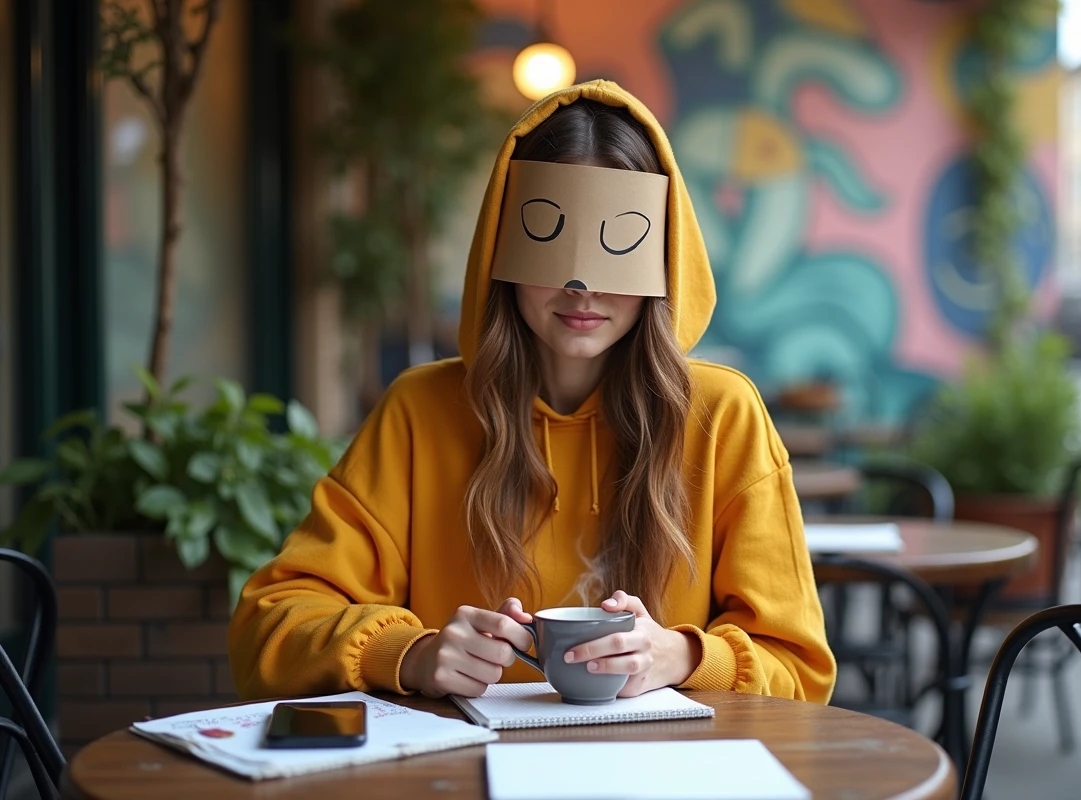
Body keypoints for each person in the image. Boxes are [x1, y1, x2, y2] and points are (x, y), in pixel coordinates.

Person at [228, 80, 835, 703]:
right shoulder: (419, 413)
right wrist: (408, 654)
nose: (582, 285)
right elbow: (269, 627)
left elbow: (800, 670)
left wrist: (682, 656)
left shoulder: (721, 417)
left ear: (662, 256)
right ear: (503, 244)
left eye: (621, 240)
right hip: (462, 756)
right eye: (548, 232)